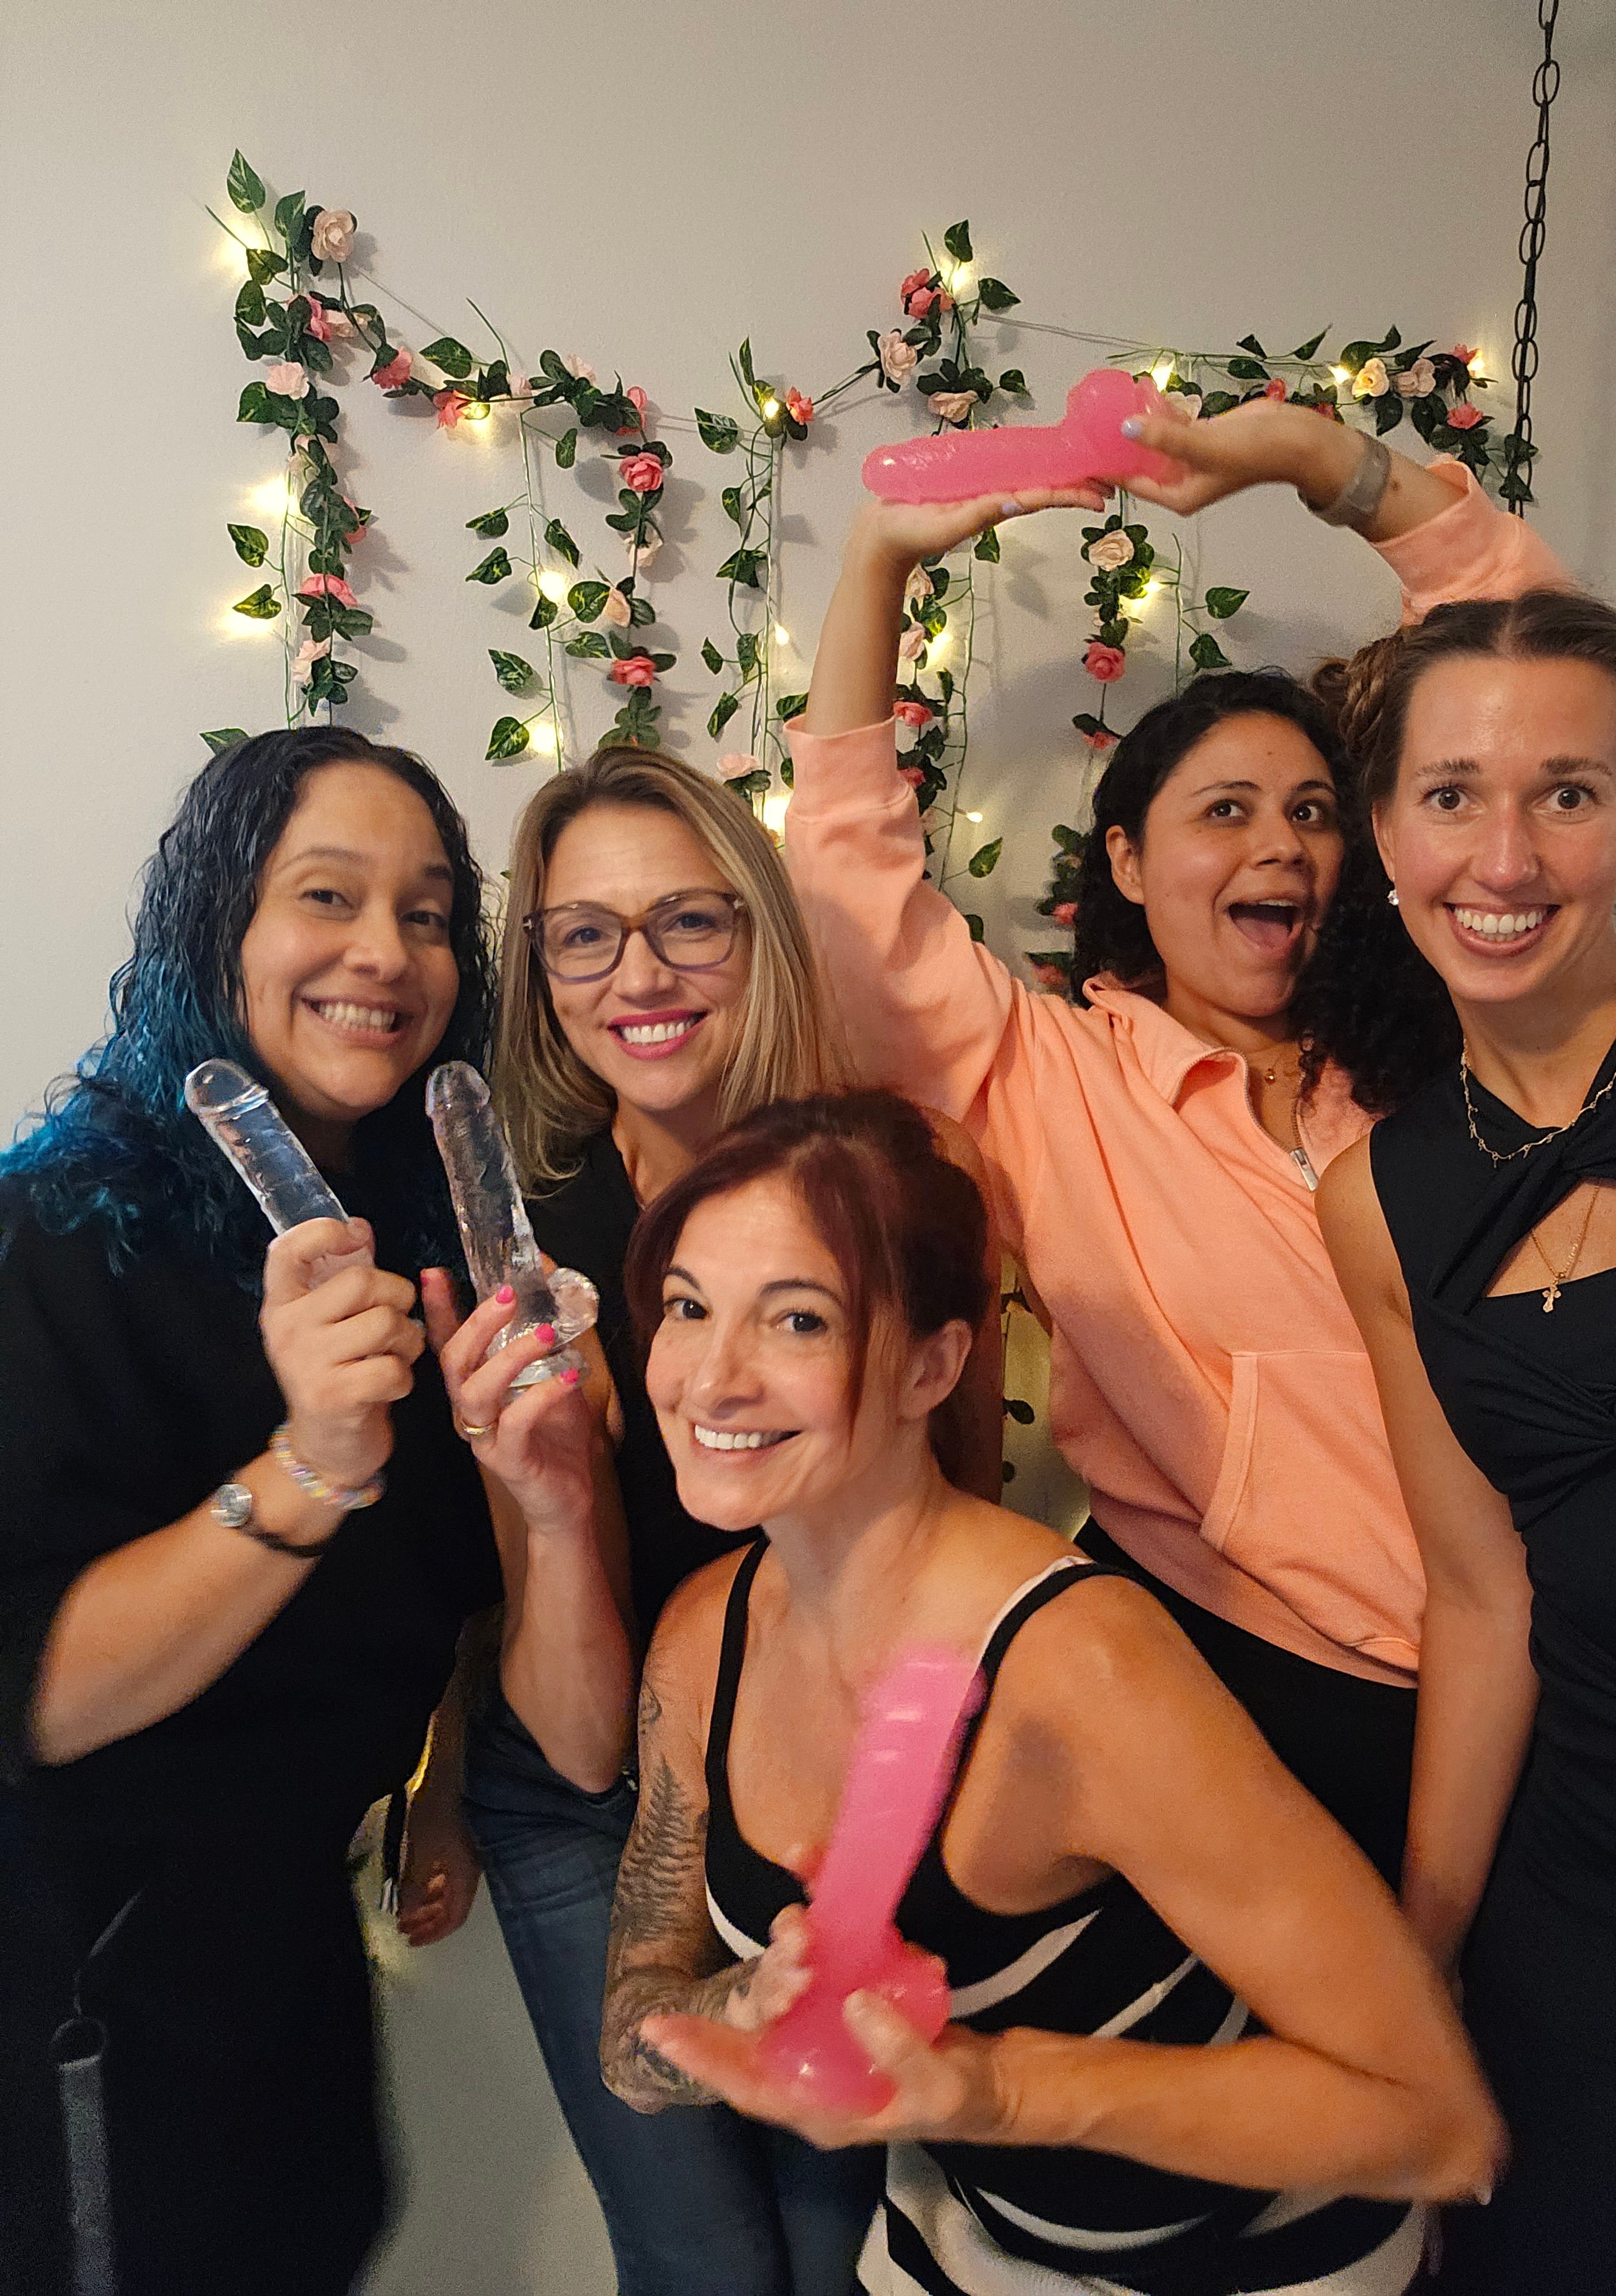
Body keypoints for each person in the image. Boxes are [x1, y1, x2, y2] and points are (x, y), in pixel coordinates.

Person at [777, 399, 1568, 1885]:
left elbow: (1546, 698)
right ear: (1128, 864)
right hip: (1255, 1678)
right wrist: (878, 559)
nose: (1281, 845)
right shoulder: (1050, 1079)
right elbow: (846, 882)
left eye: (1315, 812)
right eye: (1226, 812)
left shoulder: (1453, 1057)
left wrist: (1310, 458)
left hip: (1547, 1675)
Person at [586, 1089, 1502, 2295]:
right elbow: (629, 2034)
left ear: (933, 1363)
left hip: (1260, 2263)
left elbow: (1438, 2125)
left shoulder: (1077, 1668)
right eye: (690, 1307)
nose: (712, 1376)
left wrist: (993, 2085)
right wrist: (746, 2002)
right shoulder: (702, 1641)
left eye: (796, 1319)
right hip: (971, 2243)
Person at [453, 747, 1000, 2294]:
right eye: (584, 933)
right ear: (540, 967)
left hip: (814, 1788)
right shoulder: (529, 1234)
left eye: (691, 921)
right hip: (590, 1793)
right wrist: (554, 1495)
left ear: (761, 933)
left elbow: (954, 1535)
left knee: (843, 2249)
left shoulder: (901, 1179)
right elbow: (572, 1740)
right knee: (700, 2263)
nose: (641, 974)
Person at [0, 728, 506, 2295]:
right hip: (87, 2018)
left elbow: (450, 1576)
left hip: (285, 1990)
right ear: (217, 928)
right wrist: (306, 1465)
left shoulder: (426, 1232)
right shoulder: (56, 1239)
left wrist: (450, 1774)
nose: (384, 954)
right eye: (328, 897)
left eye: (428, 913)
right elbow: (40, 1693)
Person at [1315, 591, 1616, 2294]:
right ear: (1386, 832)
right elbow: (1483, 1603)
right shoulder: (1376, 1196)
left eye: (1565, 793)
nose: (1504, 854)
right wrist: (1422, 1951)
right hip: (1597, 1913)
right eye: (1451, 793)